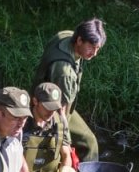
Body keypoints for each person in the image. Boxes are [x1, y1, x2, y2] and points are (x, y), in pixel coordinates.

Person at [32, 18, 107, 163]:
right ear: (79, 40)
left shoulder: (65, 36)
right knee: (89, 142)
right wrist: (65, 141)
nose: (95, 53)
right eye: (91, 47)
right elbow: (62, 111)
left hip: (41, 96)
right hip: (48, 109)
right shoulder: (64, 72)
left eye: (98, 48)